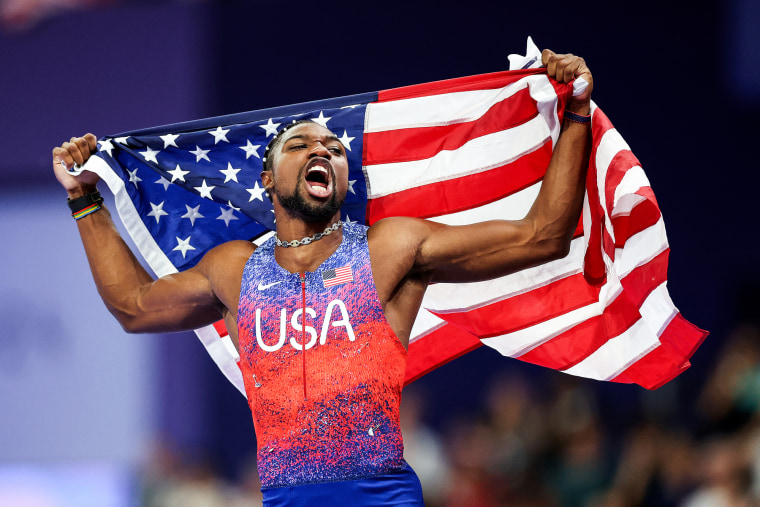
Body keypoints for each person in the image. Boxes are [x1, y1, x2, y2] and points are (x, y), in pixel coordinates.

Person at [52, 49, 593, 506]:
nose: (322, 151)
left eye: (335, 150)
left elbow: (542, 235)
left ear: (342, 177)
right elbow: (132, 306)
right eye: (301, 145)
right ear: (267, 179)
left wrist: (575, 114)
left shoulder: (391, 248)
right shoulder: (233, 270)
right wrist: (84, 199)